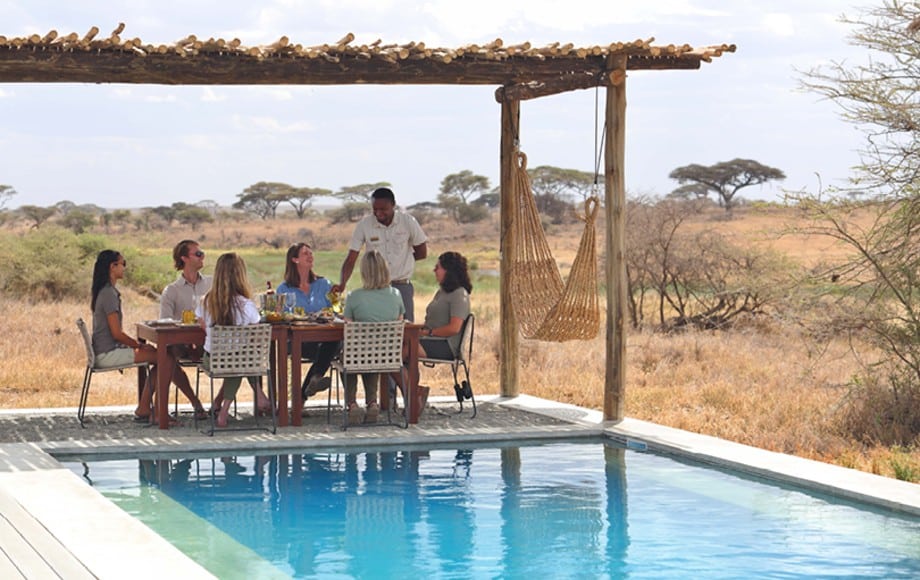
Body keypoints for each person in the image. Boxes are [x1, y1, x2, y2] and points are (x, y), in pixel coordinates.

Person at [332, 187, 427, 321]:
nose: (378, 213)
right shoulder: (364, 225)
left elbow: (422, 252)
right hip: (374, 287)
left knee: (405, 331)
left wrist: (403, 261)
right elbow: (351, 258)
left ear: (393, 205)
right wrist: (342, 283)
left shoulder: (408, 222)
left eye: (383, 209)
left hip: (401, 285)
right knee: (374, 328)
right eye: (375, 209)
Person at [195, 252, 267, 428]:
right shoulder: (246, 305)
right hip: (239, 360)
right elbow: (257, 333)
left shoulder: (205, 302)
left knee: (237, 358)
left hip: (212, 359)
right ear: (240, 275)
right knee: (243, 357)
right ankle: (258, 395)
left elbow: (203, 326)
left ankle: (224, 410)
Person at [90, 249, 161, 422]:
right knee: (164, 358)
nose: (124, 268)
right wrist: (138, 345)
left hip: (107, 350)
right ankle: (153, 411)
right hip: (107, 353)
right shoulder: (108, 294)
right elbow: (117, 334)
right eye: (123, 264)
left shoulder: (107, 291)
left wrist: (137, 346)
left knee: (162, 358)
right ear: (112, 267)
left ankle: (146, 408)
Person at [342, 250, 405, 424]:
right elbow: (399, 321)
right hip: (385, 355)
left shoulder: (354, 297)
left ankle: (352, 404)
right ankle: (372, 403)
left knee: (350, 354)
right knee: (372, 353)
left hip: (358, 355)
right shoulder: (396, 295)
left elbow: (347, 327)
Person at [276, 242, 339, 400]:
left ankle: (308, 388)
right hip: (297, 341)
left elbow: (337, 309)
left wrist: (332, 310)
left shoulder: (325, 284)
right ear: (294, 259)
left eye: (311, 253)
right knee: (326, 350)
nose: (310, 256)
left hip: (323, 338)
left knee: (333, 342)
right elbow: (277, 315)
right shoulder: (283, 289)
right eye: (305, 253)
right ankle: (311, 384)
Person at [158, 239, 209, 420]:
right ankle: (195, 402)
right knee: (167, 354)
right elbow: (165, 322)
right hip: (182, 345)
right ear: (184, 258)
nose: (202, 256)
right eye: (198, 253)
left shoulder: (212, 284)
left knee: (237, 354)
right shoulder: (171, 290)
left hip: (209, 342)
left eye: (201, 253)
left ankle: (219, 405)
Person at [419, 251, 472, 360]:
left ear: (448, 271)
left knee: (401, 350)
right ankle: (406, 377)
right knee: (396, 347)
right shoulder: (442, 292)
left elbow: (454, 328)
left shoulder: (460, 294)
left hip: (445, 345)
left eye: (437, 267)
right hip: (430, 340)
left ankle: (406, 377)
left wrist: (429, 333)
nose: (434, 270)